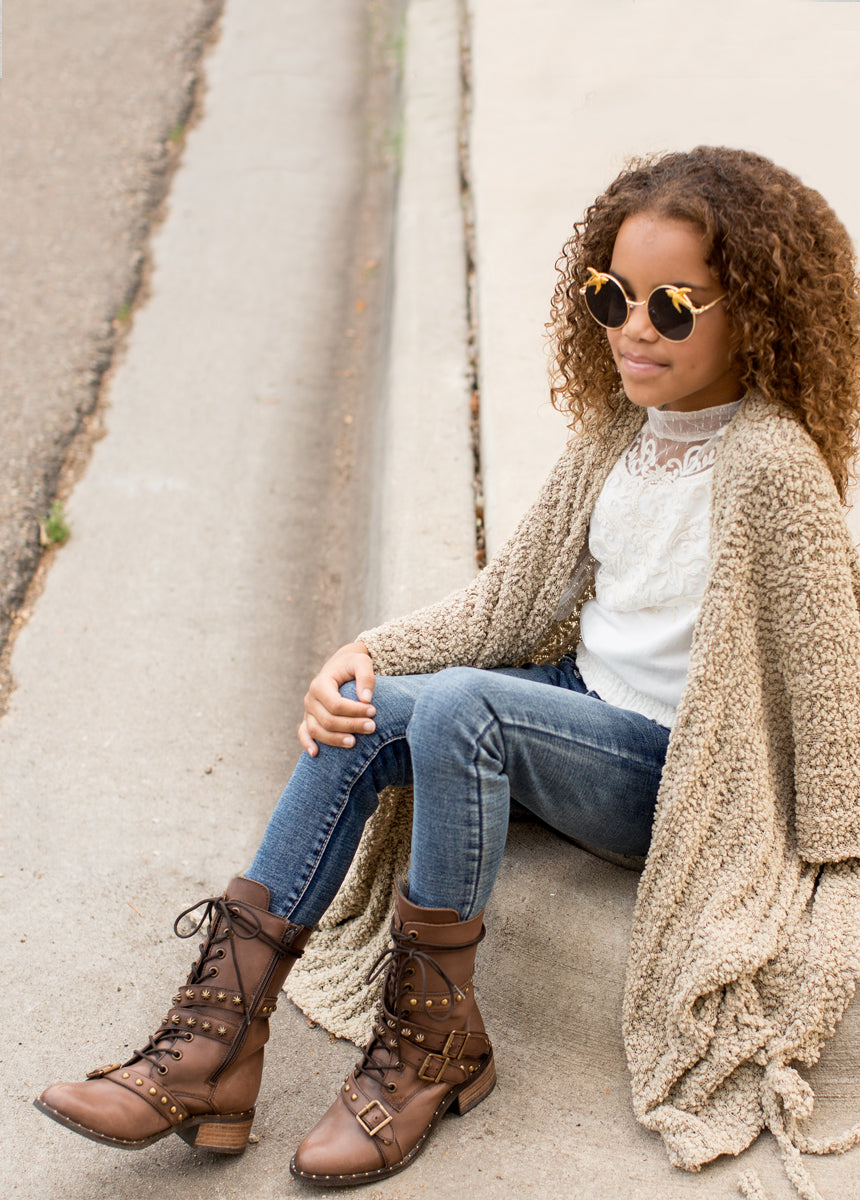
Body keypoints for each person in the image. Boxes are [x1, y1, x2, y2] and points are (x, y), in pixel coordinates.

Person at [35, 147, 860, 1196]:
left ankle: (430, 1048)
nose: (632, 329)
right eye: (610, 296)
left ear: (758, 312)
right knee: (374, 712)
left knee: (467, 707)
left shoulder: (773, 464)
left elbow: (831, 680)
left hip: (676, 777)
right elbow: (502, 603)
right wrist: (366, 654)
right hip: (573, 716)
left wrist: (828, 863)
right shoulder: (617, 431)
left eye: (672, 307)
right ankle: (211, 1047)